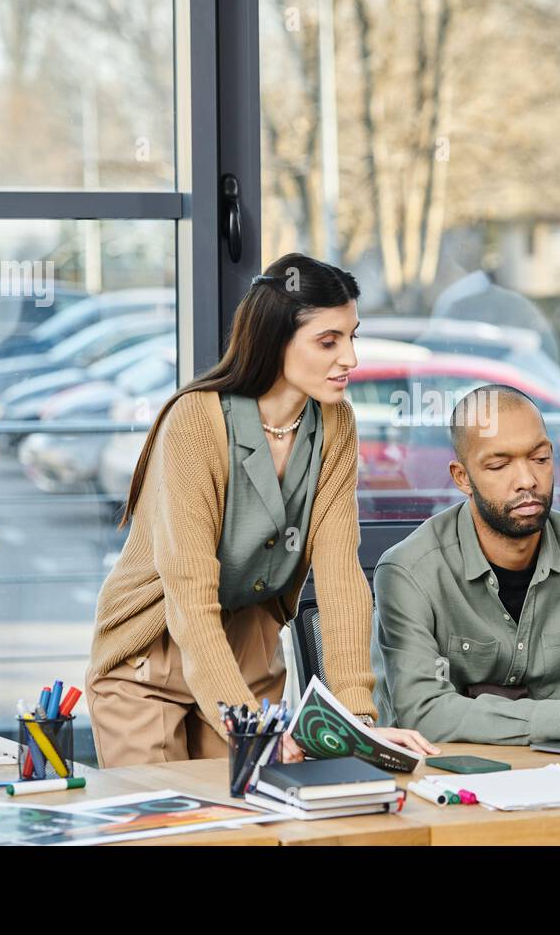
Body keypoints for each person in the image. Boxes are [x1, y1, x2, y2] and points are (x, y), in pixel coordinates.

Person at [85, 253, 436, 766]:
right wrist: (247, 726)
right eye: (328, 341)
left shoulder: (335, 425)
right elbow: (189, 596)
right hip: (150, 660)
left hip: (249, 655)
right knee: (169, 828)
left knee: (253, 826)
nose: (351, 359)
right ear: (276, 341)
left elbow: (340, 578)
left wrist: (359, 722)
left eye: (352, 336)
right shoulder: (195, 422)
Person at [372, 383, 560, 745]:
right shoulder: (410, 572)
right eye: (499, 464)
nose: (528, 480)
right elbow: (423, 713)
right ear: (462, 478)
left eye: (540, 459)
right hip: (444, 783)